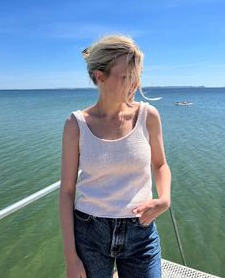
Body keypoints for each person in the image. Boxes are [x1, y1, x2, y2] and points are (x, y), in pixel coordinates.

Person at [59, 34, 171, 278]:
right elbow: (67, 192)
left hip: (140, 233)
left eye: (136, 76)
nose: (135, 84)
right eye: (126, 76)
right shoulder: (75, 124)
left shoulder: (148, 116)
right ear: (100, 77)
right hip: (90, 234)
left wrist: (165, 199)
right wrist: (71, 258)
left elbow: (160, 164)